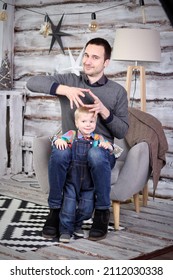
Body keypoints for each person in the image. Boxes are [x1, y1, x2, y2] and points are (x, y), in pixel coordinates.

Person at [26, 37, 129, 241]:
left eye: (95, 57)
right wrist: (64, 90)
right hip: (71, 146)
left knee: (95, 154)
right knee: (60, 149)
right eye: (86, 55)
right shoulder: (71, 81)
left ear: (106, 63)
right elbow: (32, 82)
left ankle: (101, 212)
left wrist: (104, 111)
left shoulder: (117, 91)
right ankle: (55, 211)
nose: (88, 61)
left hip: (100, 150)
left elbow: (122, 132)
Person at [53, 107, 116, 243]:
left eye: (91, 121)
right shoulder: (72, 134)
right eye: (84, 121)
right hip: (72, 179)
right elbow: (57, 139)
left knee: (87, 209)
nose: (88, 124)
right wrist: (59, 141)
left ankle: (77, 225)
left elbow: (111, 150)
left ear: (95, 123)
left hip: (89, 181)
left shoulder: (98, 138)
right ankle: (65, 230)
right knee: (68, 206)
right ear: (77, 123)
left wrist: (108, 147)